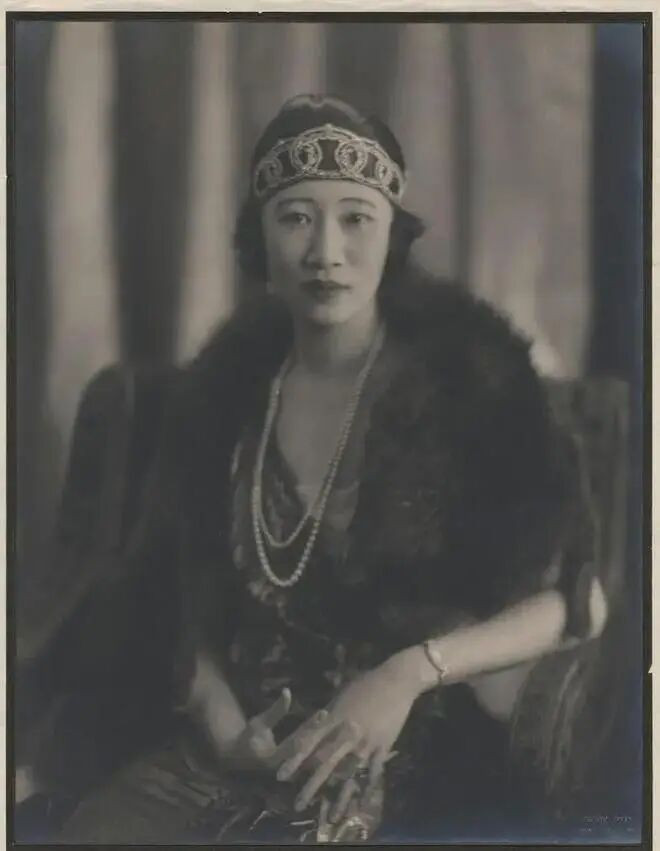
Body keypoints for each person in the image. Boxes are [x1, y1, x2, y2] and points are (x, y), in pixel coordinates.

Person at [56, 93, 608, 843]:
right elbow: (178, 600)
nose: (326, 251)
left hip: (396, 757)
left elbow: (577, 603)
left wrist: (407, 673)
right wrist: (225, 729)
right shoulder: (222, 396)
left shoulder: (470, 389)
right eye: (296, 218)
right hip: (228, 753)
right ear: (259, 237)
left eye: (356, 218)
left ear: (392, 235)